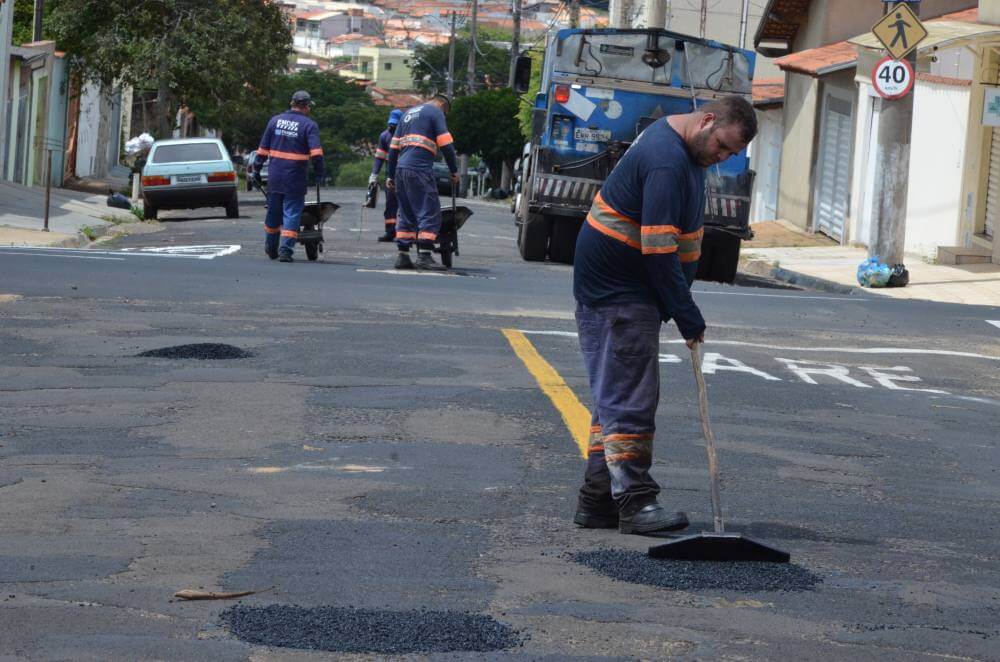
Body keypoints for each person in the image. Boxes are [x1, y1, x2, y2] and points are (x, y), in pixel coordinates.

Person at [572, 95, 757, 535]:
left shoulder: (684, 149)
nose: (722, 158)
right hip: (620, 293)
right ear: (707, 121)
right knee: (631, 398)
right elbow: (657, 249)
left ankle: (598, 500)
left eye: (731, 154)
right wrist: (685, 312)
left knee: (616, 396)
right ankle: (636, 502)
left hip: (629, 292)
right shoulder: (667, 161)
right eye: (723, 147)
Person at [385, 94, 460, 271]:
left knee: (406, 212)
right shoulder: (435, 112)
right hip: (419, 169)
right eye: (446, 112)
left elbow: (393, 148)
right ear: (442, 104)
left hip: (401, 170)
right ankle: (424, 256)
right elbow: (446, 145)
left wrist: (390, 175)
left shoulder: (407, 114)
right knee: (430, 210)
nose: (445, 115)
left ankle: (403, 255)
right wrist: (454, 171)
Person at [254, 90, 326, 263]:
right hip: (295, 177)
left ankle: (271, 248)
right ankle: (286, 250)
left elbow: (263, 149)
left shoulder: (275, 121)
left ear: (292, 104)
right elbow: (316, 153)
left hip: (275, 176)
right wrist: (320, 172)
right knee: (292, 213)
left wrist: (256, 169)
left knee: (273, 212)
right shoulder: (309, 125)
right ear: (306, 106)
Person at [371, 109, 403, 242]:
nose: (393, 127)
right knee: (390, 204)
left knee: (407, 204)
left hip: (406, 174)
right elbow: (379, 157)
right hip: (391, 175)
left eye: (395, 124)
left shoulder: (406, 136)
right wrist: (374, 174)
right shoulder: (384, 136)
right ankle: (390, 231)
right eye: (391, 124)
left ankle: (408, 233)